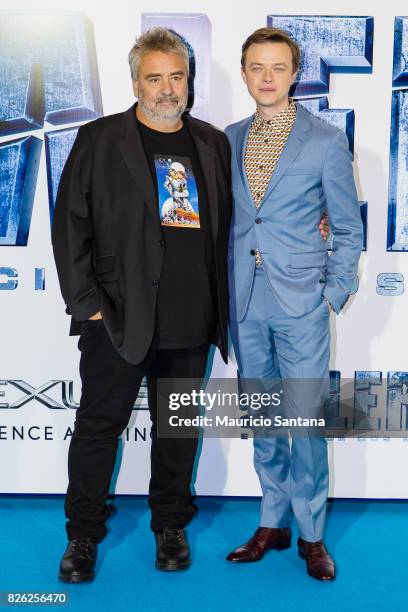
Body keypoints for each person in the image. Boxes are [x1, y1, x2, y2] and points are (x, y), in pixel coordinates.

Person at [52, 27, 231, 581]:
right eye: (155, 77)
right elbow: (70, 226)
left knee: (176, 429)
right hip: (119, 318)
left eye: (176, 76)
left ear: (188, 81)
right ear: (135, 82)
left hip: (189, 316)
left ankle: (170, 525)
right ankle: (82, 535)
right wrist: (90, 305)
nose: (166, 88)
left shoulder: (210, 142)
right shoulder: (100, 139)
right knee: (98, 427)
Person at [225, 27, 363, 581]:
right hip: (244, 300)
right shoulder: (226, 139)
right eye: (256, 67)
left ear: (294, 72)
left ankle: (311, 533)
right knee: (263, 420)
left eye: (277, 67)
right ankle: (271, 520)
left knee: (304, 422)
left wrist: (331, 293)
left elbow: (348, 229)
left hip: (301, 301)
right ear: (243, 73)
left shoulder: (326, 141)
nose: (266, 77)